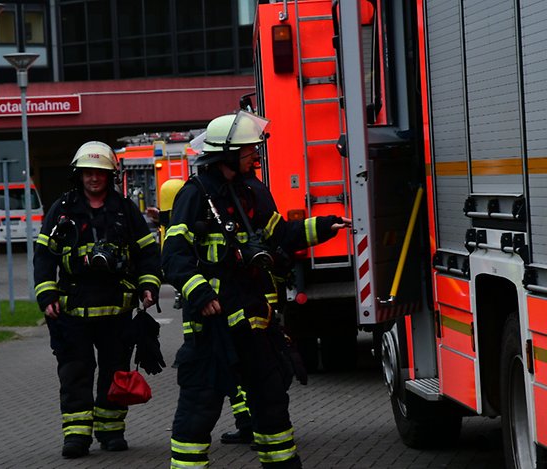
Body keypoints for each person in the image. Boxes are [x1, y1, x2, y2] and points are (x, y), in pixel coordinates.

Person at [162, 111, 351, 468]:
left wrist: (326, 226)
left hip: (253, 320)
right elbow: (173, 255)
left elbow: (281, 236)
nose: (254, 156)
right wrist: (201, 294)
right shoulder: (195, 194)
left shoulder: (253, 192)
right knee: (200, 408)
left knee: (271, 402)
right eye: (248, 150)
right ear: (227, 154)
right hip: (212, 325)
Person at [33, 141, 162, 459]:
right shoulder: (62, 210)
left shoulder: (124, 210)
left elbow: (147, 253)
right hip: (72, 310)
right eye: (88, 172)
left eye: (100, 173)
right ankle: (76, 436)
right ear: (79, 175)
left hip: (116, 308)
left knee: (114, 370)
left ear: (110, 176)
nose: (93, 178)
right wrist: (47, 294)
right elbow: (43, 257)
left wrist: (148, 286)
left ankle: (111, 430)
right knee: (75, 371)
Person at [158, 177, 255, 446]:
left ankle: (247, 422)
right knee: (236, 368)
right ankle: (248, 422)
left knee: (217, 375)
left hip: (207, 313)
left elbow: (170, 256)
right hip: (221, 306)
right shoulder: (218, 199)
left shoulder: (189, 205)